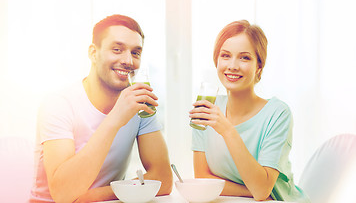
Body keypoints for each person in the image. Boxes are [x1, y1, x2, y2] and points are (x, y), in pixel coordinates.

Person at [29, 14, 173, 202]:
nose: (128, 61)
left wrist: (98, 195)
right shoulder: (59, 104)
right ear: (93, 53)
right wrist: (115, 118)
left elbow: (163, 179)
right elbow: (63, 194)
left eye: (135, 53)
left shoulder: (139, 104)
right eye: (117, 49)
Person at [190, 20, 310, 202]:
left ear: (259, 67)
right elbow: (202, 178)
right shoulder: (206, 110)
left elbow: (261, 191)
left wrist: (228, 130)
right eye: (225, 56)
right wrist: (248, 190)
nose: (232, 65)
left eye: (244, 57)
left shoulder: (278, 114)